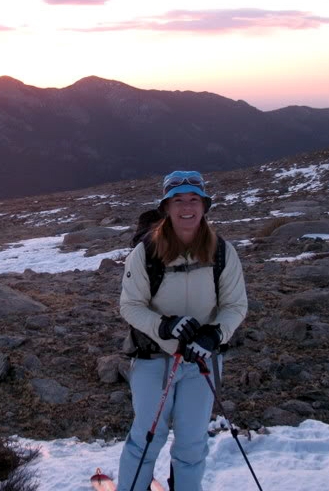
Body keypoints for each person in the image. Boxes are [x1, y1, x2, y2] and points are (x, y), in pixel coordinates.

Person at [117, 171, 248, 491]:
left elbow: (236, 306)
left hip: (202, 362)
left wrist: (215, 335)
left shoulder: (222, 252)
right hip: (153, 359)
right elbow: (130, 305)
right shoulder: (146, 251)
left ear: (204, 206)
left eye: (193, 199)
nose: (186, 206)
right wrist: (163, 326)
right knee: (146, 440)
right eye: (178, 200)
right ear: (166, 207)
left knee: (192, 444)